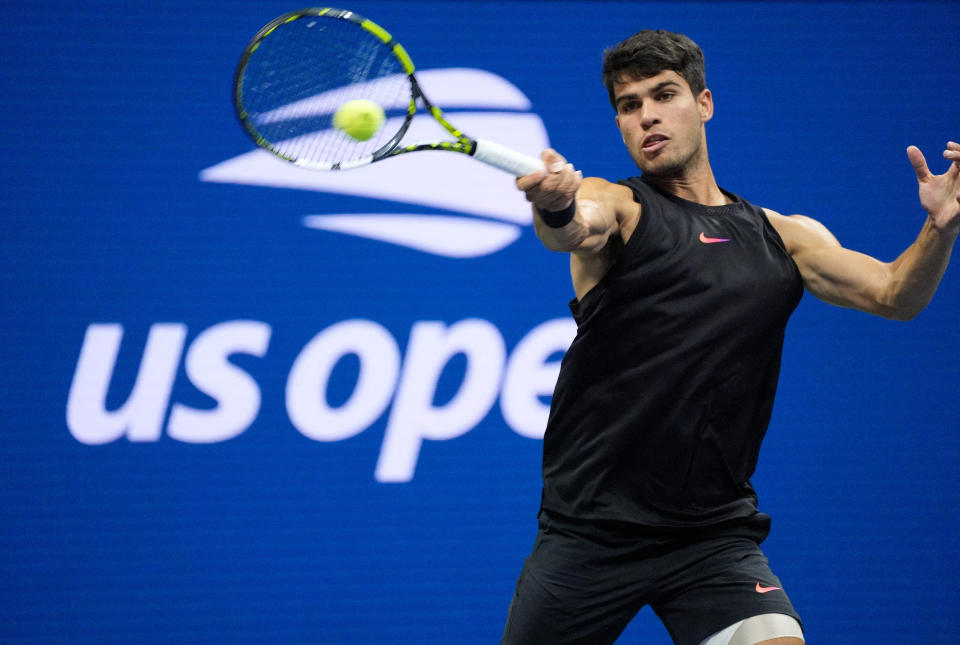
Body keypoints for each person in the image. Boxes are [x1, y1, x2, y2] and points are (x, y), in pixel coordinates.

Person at [500, 29, 960, 645]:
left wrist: (940, 228)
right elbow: (574, 228)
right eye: (629, 106)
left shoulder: (785, 236)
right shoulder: (618, 206)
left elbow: (895, 294)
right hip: (590, 531)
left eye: (664, 95)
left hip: (712, 535)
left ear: (705, 103)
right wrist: (554, 206)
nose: (647, 116)